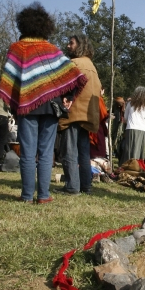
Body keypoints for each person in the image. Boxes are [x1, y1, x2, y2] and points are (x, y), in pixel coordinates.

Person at [0, 2, 87, 204]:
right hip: (51, 106)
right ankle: (44, 195)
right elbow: (74, 76)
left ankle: (27, 195)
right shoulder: (52, 50)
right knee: (46, 153)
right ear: (46, 26)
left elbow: (8, 80)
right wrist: (68, 97)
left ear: (23, 25)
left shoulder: (17, 48)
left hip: (27, 106)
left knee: (27, 152)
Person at [55, 34, 102, 195]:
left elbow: (62, 87)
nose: (68, 46)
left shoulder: (73, 64)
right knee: (83, 152)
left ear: (80, 45)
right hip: (87, 115)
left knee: (69, 151)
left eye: (71, 43)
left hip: (72, 113)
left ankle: (72, 187)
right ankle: (85, 185)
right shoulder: (92, 66)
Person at [118, 86, 145, 166]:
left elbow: (125, 118)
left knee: (129, 149)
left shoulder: (130, 104)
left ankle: (127, 165)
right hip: (141, 129)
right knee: (138, 150)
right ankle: (136, 166)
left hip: (130, 128)